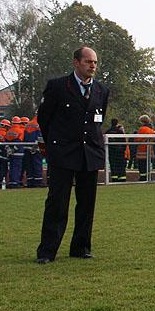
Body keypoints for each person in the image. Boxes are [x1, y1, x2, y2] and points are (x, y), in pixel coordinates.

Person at [36, 46, 109, 263]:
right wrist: (56, 143)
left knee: (86, 204)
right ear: (76, 62)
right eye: (88, 62)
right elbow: (44, 119)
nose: (92, 66)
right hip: (63, 153)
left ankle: (81, 247)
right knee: (57, 203)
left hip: (89, 154)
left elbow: (98, 118)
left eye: (95, 62)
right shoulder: (58, 87)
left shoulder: (101, 91)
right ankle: (47, 251)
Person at [134, 115, 155, 181]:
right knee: (148, 165)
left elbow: (137, 140)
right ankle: (148, 177)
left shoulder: (142, 129)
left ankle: (142, 177)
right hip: (149, 151)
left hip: (141, 151)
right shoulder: (151, 130)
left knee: (141, 165)